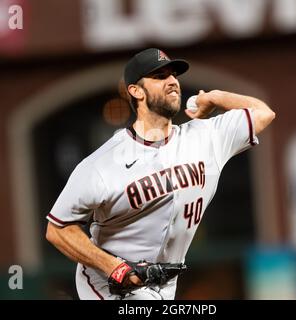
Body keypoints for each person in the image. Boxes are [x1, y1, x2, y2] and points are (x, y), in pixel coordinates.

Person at [46, 48, 275, 300]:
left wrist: (216, 97)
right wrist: (115, 268)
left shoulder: (206, 137)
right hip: (108, 285)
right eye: (159, 76)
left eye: (173, 75)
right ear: (136, 91)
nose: (172, 81)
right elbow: (57, 229)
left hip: (164, 286)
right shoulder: (102, 164)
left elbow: (263, 113)